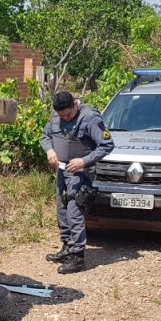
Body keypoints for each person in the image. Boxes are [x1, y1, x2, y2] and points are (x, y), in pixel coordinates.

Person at [40, 90, 114, 274]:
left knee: (74, 211)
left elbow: (107, 145)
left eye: (68, 114)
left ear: (75, 104)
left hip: (81, 172)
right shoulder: (56, 116)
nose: (65, 118)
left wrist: (84, 161)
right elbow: (46, 136)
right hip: (62, 170)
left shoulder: (90, 118)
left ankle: (78, 256)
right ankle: (67, 247)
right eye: (61, 115)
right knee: (62, 209)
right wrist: (49, 151)